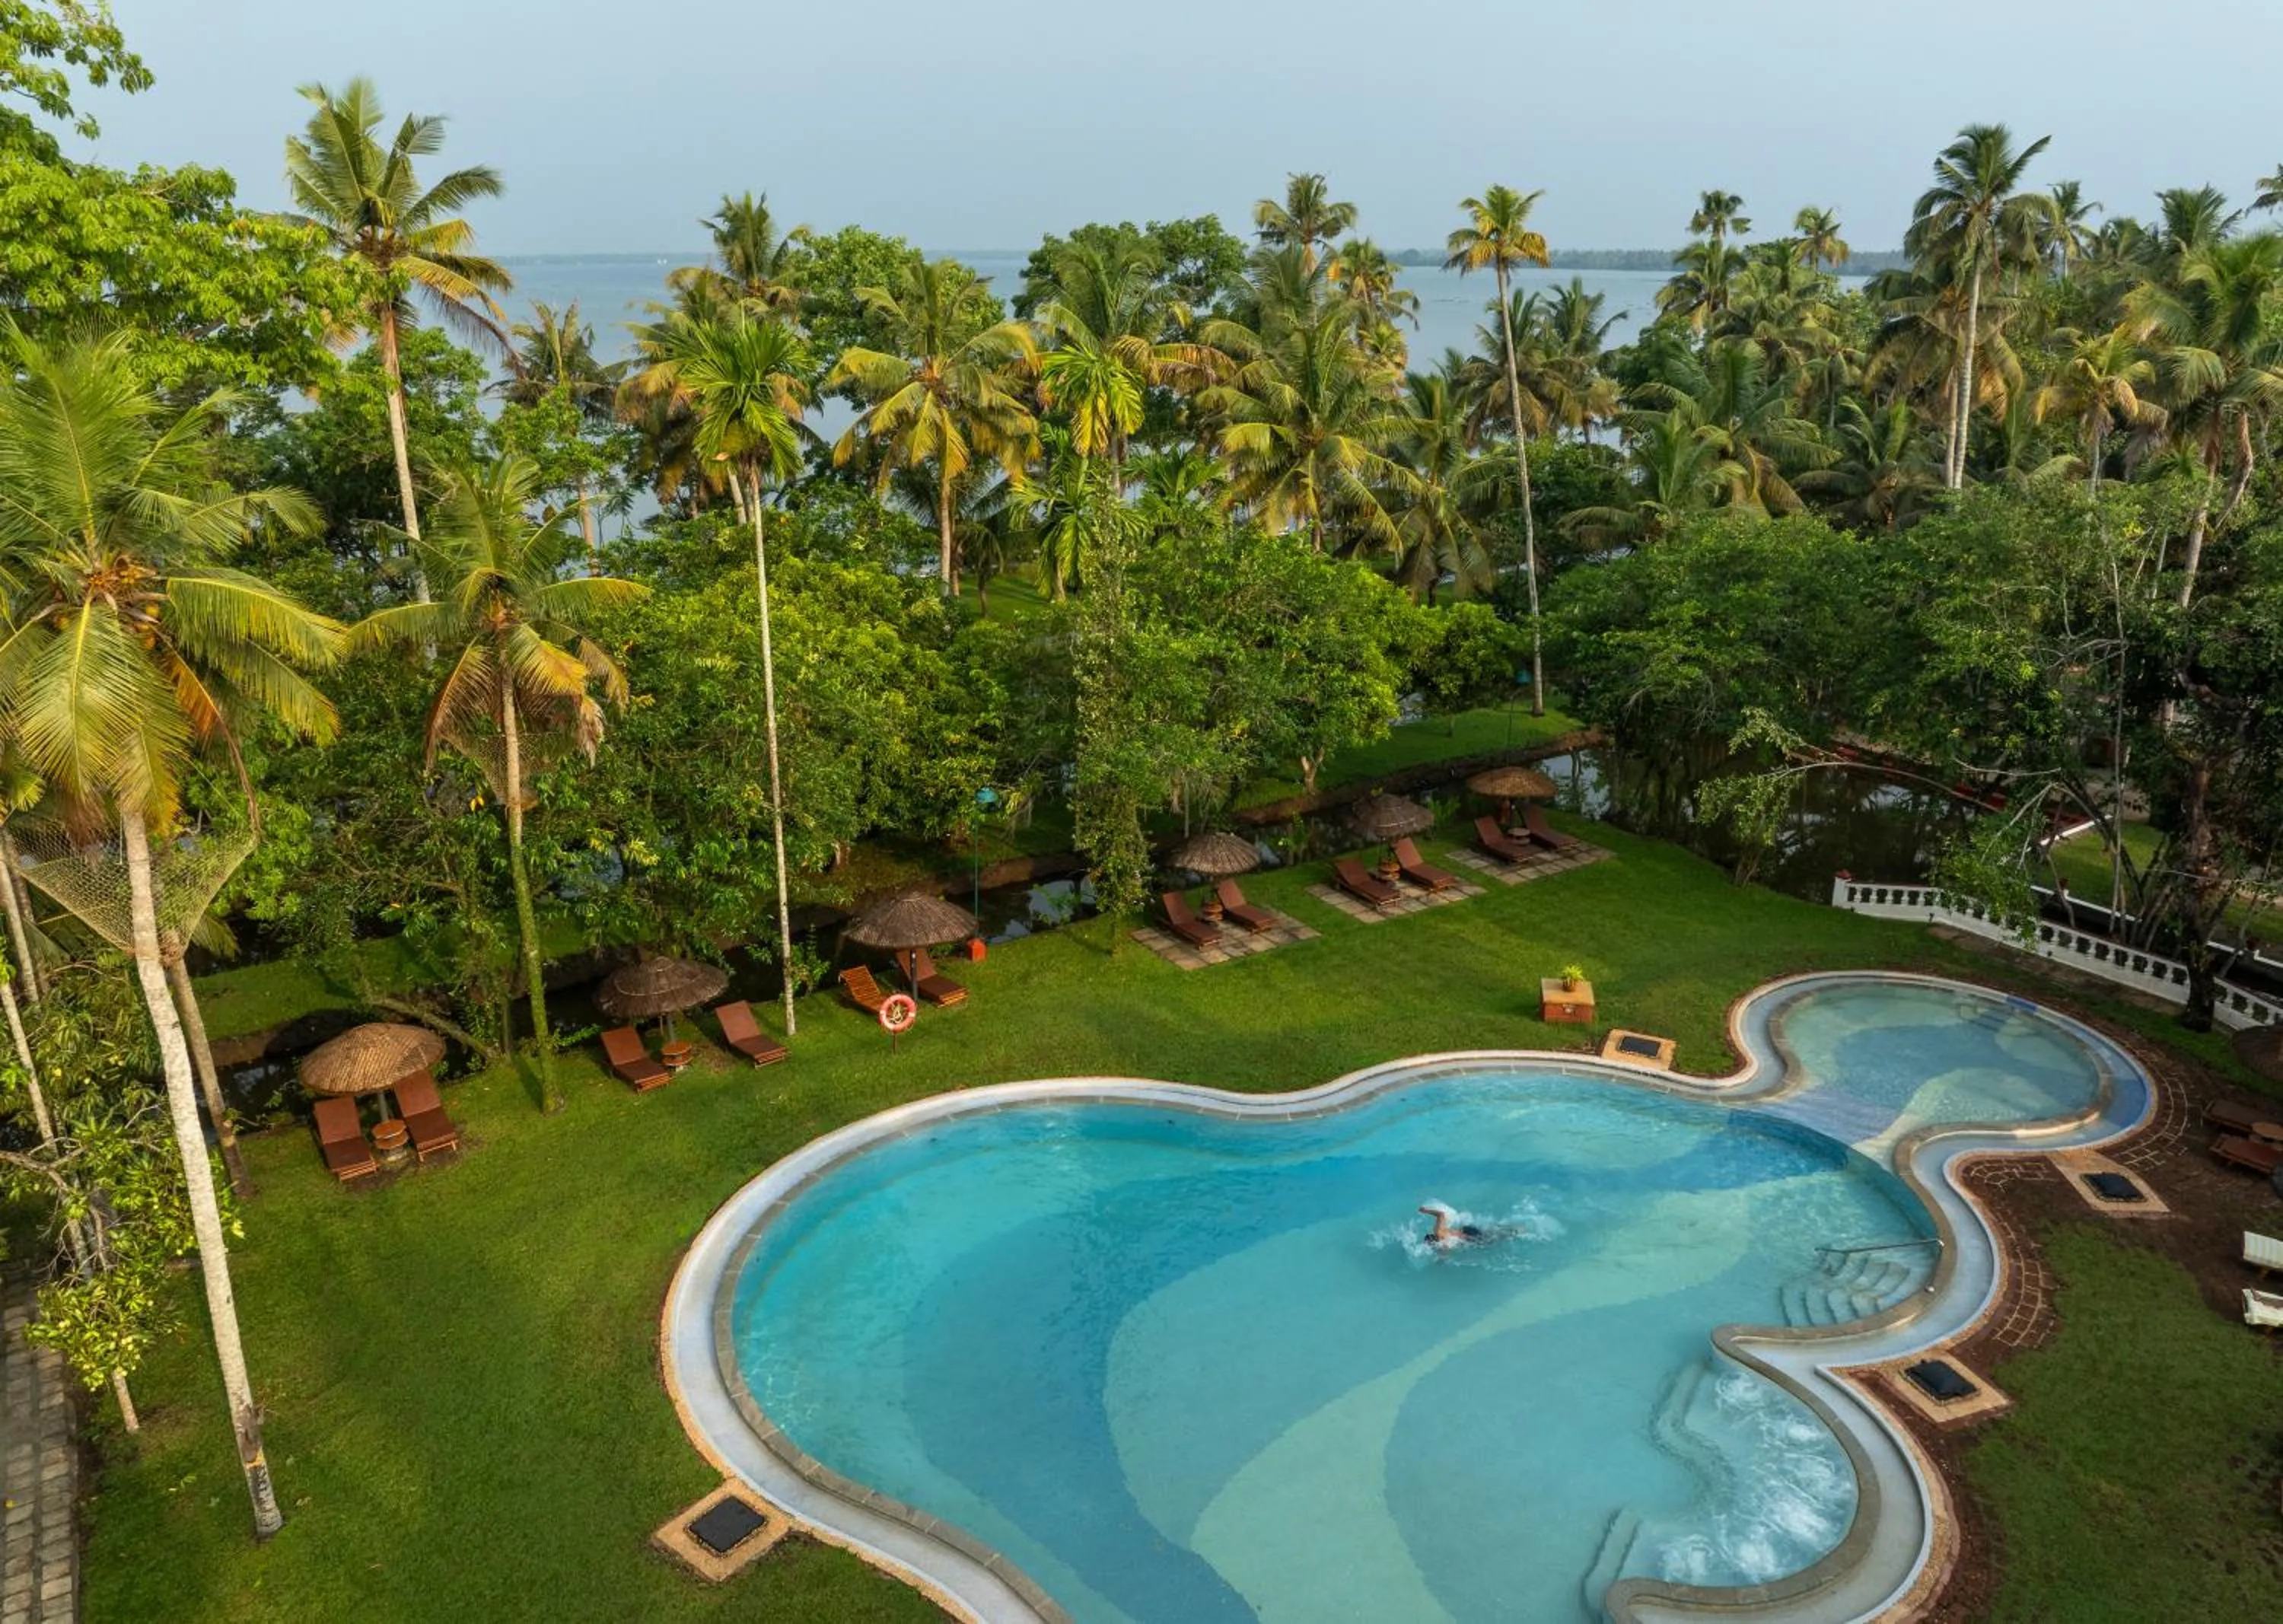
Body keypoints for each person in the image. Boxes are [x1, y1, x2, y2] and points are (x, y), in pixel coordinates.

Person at [1419, 1202, 1486, 1250]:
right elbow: (1445, 1251)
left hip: (1469, 1234)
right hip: (1465, 1231)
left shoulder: (1438, 1231)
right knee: (1489, 1235)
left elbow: (1441, 1214)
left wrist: (1426, 1211)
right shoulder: (1441, 1242)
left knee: (1490, 1240)